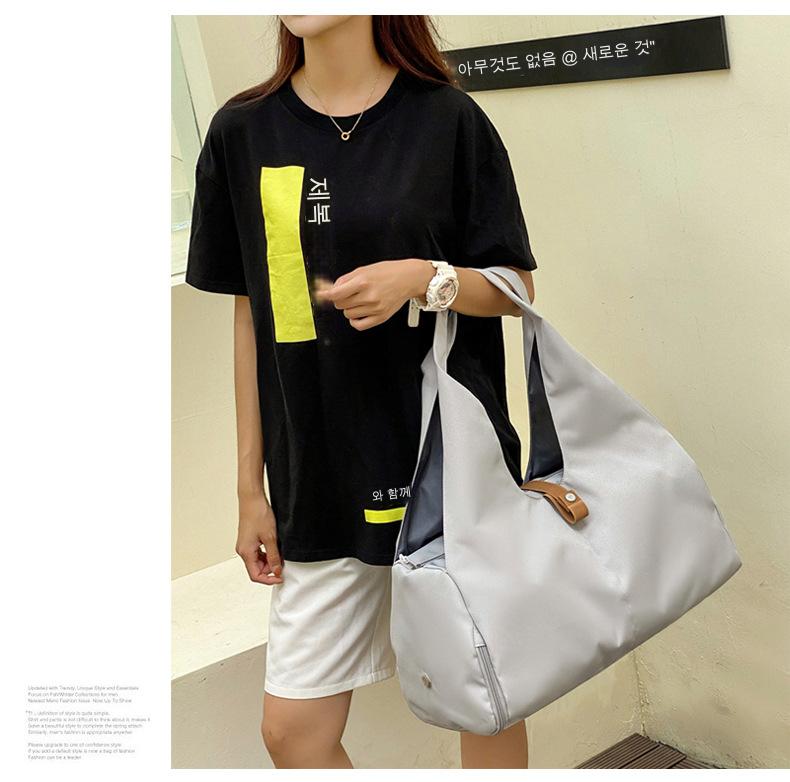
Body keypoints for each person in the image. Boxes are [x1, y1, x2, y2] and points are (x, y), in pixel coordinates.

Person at [185, 14, 537, 770]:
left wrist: (424, 278)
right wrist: (250, 489)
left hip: (451, 469)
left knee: (487, 701)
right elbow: (254, 317)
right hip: (319, 480)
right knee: (293, 731)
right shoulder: (242, 132)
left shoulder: (447, 120)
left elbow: (514, 288)